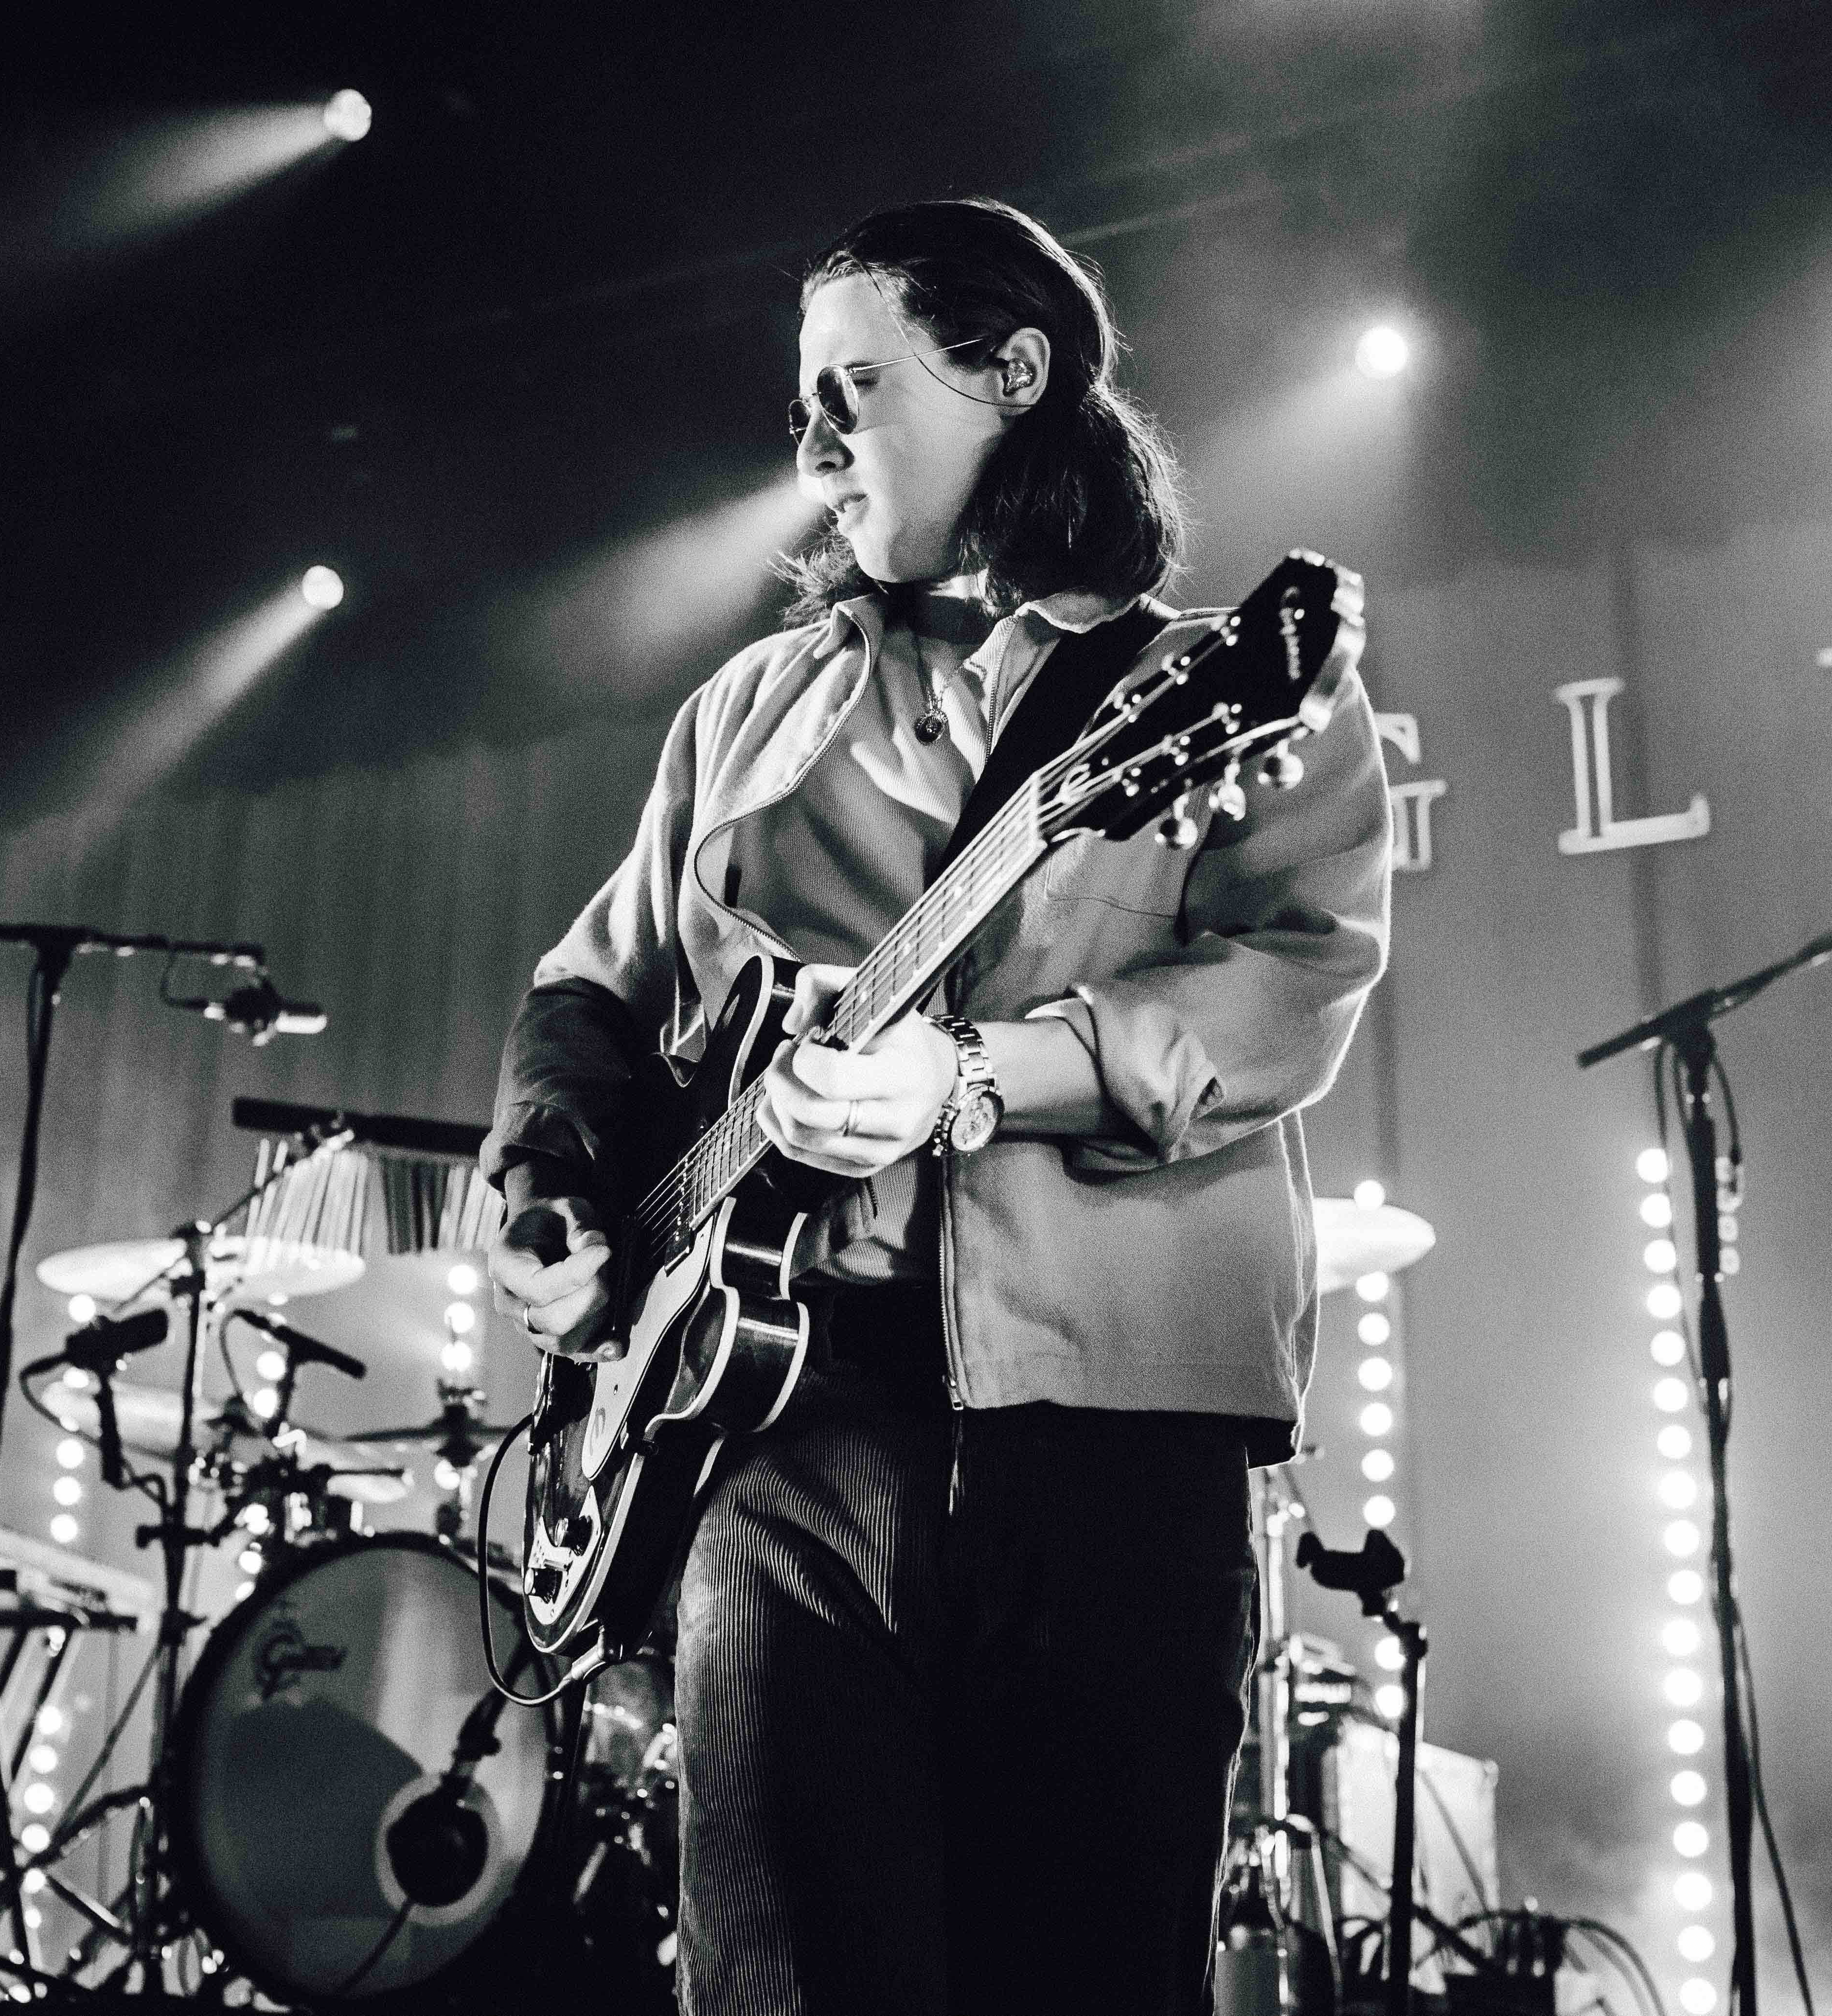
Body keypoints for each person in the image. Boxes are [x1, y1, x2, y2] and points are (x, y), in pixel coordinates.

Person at [482, 198, 1390, 2015]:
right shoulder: (744, 712)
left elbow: (1292, 978)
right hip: (778, 1428)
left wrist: (968, 1078)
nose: (814, 443)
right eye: (802, 404)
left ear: (1012, 373)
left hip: (1116, 1432)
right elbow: (591, 992)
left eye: (858, 387)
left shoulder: (1207, 691)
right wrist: (553, 1189)